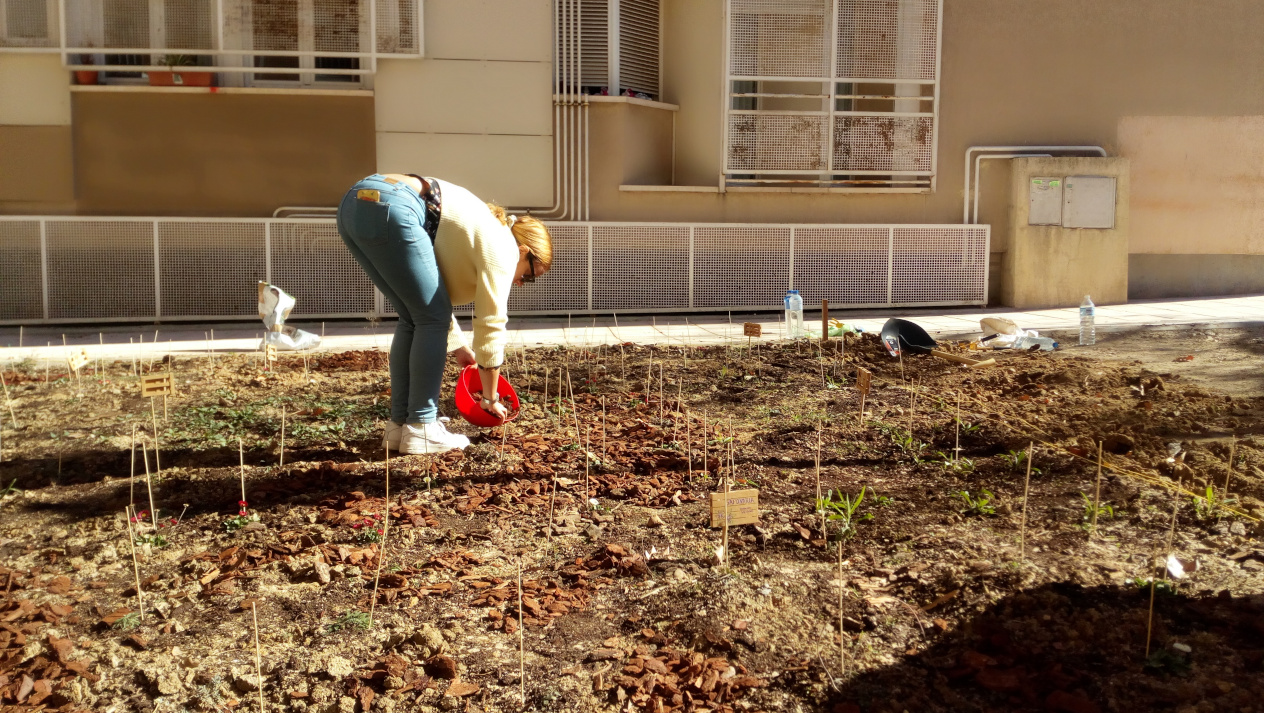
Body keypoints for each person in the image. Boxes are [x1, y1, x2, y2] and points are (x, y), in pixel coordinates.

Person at [335, 173, 552, 454]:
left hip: (355, 204)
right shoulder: (504, 247)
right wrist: (489, 397)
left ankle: (400, 426)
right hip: (395, 203)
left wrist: (459, 347)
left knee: (412, 316)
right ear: (523, 251)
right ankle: (422, 426)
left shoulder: (478, 236)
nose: (521, 283)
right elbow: (491, 325)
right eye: (529, 275)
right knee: (427, 319)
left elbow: (431, 300)